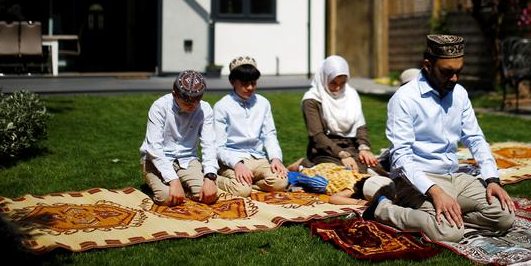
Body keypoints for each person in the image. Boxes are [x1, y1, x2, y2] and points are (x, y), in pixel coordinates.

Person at [364, 35, 516, 242]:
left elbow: (475, 138)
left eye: (458, 72)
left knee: (505, 217)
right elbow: (401, 157)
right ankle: (382, 209)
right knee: (449, 232)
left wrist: (492, 179)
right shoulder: (404, 99)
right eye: (447, 72)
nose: (454, 78)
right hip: (416, 181)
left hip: (455, 177)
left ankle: (447, 212)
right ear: (427, 65)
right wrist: (434, 192)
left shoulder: (460, 94)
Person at [139, 70, 219, 206]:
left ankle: (180, 188)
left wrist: (210, 177)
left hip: (188, 160)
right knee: (166, 198)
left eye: (197, 101)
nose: (192, 106)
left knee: (208, 195)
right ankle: (163, 183)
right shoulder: (159, 107)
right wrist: (173, 180)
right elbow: (154, 148)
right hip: (156, 161)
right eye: (187, 102)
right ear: (174, 93)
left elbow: (209, 144)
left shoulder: (205, 110)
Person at [213, 56, 288, 197]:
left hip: (258, 158)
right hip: (232, 159)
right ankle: (213, 179)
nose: (250, 88)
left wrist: (276, 158)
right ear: (232, 82)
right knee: (241, 190)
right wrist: (237, 164)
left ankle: (249, 183)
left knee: (281, 182)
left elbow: (269, 135)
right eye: (244, 84)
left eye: (253, 83)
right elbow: (218, 147)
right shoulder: (222, 106)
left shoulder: (263, 103)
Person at [301, 55, 379, 174]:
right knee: (347, 174)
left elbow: (360, 126)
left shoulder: (351, 94)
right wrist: (342, 154)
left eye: (342, 83)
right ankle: (306, 164)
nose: (338, 88)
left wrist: (364, 148)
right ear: (324, 78)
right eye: (333, 83)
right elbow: (317, 136)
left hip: (351, 146)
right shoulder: (311, 100)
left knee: (378, 169)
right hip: (324, 150)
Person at [288, 161, 394, 206]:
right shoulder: (350, 189)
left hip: (334, 170)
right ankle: (298, 167)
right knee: (304, 175)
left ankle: (302, 165)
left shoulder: (366, 177)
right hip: (321, 175)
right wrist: (357, 203)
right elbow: (334, 198)